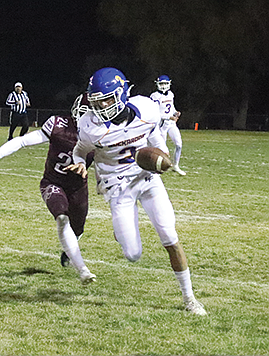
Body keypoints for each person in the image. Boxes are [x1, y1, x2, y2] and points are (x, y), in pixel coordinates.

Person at [65, 67, 206, 315]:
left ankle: (189, 298)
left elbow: (153, 134)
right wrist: (78, 160)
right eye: (95, 102)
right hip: (118, 187)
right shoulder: (91, 126)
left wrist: (162, 157)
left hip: (147, 178)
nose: (100, 107)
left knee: (170, 237)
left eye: (105, 100)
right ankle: (121, 230)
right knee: (133, 254)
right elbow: (79, 149)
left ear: (120, 94)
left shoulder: (146, 108)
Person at [0, 94, 96, 285]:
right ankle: (83, 270)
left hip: (78, 187)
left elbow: (107, 164)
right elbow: (23, 141)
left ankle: (69, 250)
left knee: (77, 229)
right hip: (53, 182)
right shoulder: (58, 125)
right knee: (61, 218)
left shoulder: (101, 134)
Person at [150, 75, 186, 176]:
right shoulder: (155, 96)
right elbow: (156, 113)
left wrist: (175, 113)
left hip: (171, 124)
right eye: (161, 84)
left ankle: (176, 165)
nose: (164, 86)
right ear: (157, 84)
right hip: (161, 125)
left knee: (179, 144)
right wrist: (169, 117)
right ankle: (157, 168)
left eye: (165, 83)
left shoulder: (170, 94)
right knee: (162, 148)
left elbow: (171, 108)